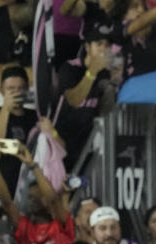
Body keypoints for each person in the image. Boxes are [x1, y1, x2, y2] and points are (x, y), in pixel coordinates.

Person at [0, 142, 75, 244]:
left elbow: (54, 201)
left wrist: (33, 165)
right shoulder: (25, 228)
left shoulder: (61, 225)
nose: (34, 201)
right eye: (31, 198)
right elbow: (7, 203)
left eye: (38, 197)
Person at [53, 22, 115, 170]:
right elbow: (73, 100)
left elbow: (105, 111)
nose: (103, 49)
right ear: (87, 47)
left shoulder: (106, 75)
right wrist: (92, 71)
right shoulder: (70, 68)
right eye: (98, 44)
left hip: (87, 145)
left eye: (107, 45)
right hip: (61, 141)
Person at [0, 65, 39, 197]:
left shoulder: (34, 116)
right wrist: (6, 109)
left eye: (20, 88)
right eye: (11, 89)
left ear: (26, 89)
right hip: (1, 187)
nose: (16, 92)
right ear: (2, 90)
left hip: (29, 185)